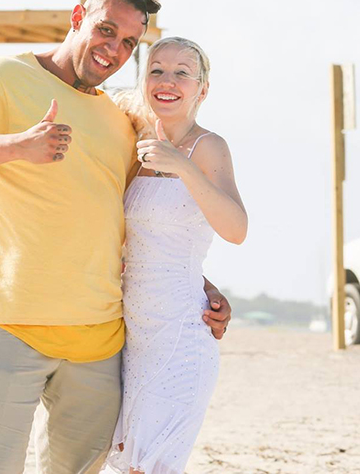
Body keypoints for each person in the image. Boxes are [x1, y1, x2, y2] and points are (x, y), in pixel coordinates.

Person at [0, 0, 232, 474]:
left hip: (99, 341)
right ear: (76, 18)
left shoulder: (119, 120)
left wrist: (201, 286)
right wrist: (17, 146)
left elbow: (130, 222)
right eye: (105, 29)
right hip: (11, 322)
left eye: (128, 42)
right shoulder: (1, 76)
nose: (113, 49)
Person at [105, 37, 247, 474]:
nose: (168, 81)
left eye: (182, 73)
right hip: (130, 335)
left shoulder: (209, 147)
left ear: (202, 89)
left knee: (152, 465)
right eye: (157, 70)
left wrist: (181, 165)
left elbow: (236, 229)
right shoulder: (134, 144)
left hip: (180, 334)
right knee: (127, 463)